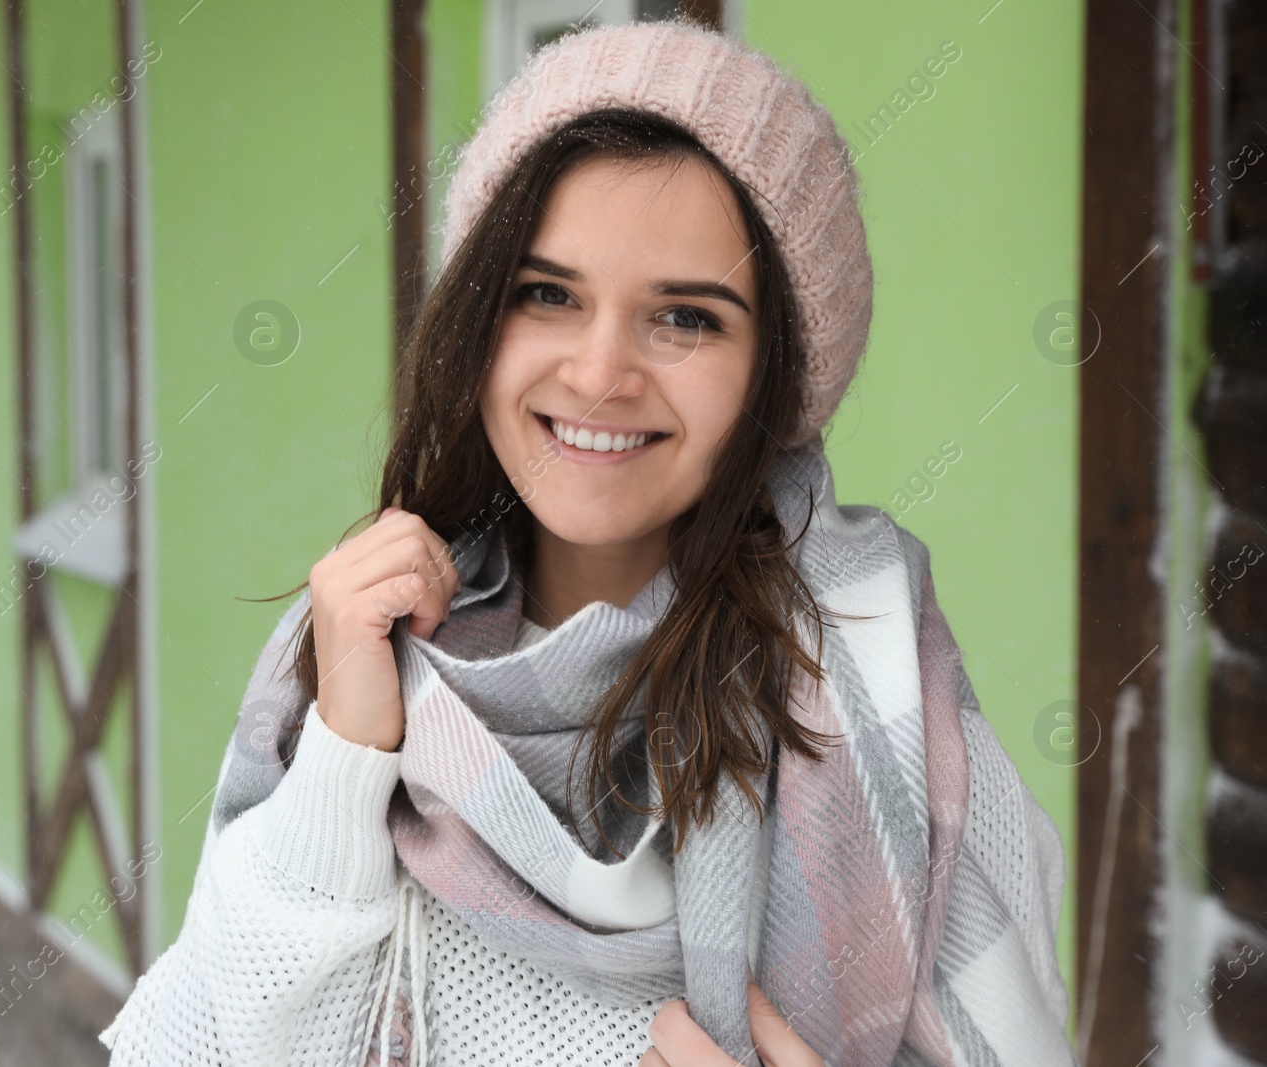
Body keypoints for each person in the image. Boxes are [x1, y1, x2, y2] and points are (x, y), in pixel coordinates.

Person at [100, 17, 1073, 1067]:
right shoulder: (364, 660)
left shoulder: (899, 733)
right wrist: (346, 757)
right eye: (547, 294)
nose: (601, 372)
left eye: (685, 318)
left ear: (773, 373)